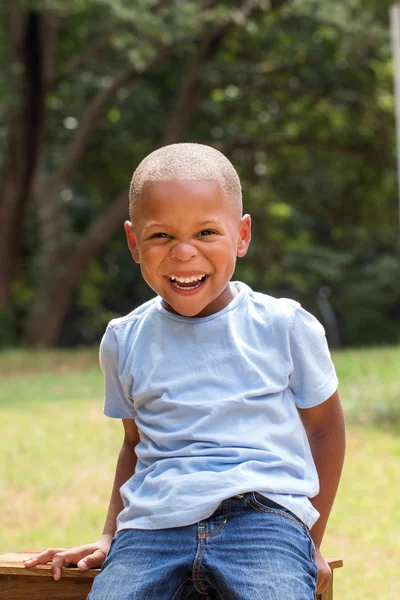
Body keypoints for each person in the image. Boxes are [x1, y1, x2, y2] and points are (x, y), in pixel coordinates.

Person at [24, 143, 346, 599]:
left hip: (264, 521)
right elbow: (134, 444)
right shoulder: (124, 339)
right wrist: (109, 535)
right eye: (161, 237)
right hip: (151, 530)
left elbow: (326, 431)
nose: (183, 253)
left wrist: (307, 542)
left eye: (207, 232)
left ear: (242, 234)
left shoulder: (283, 326)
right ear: (134, 243)